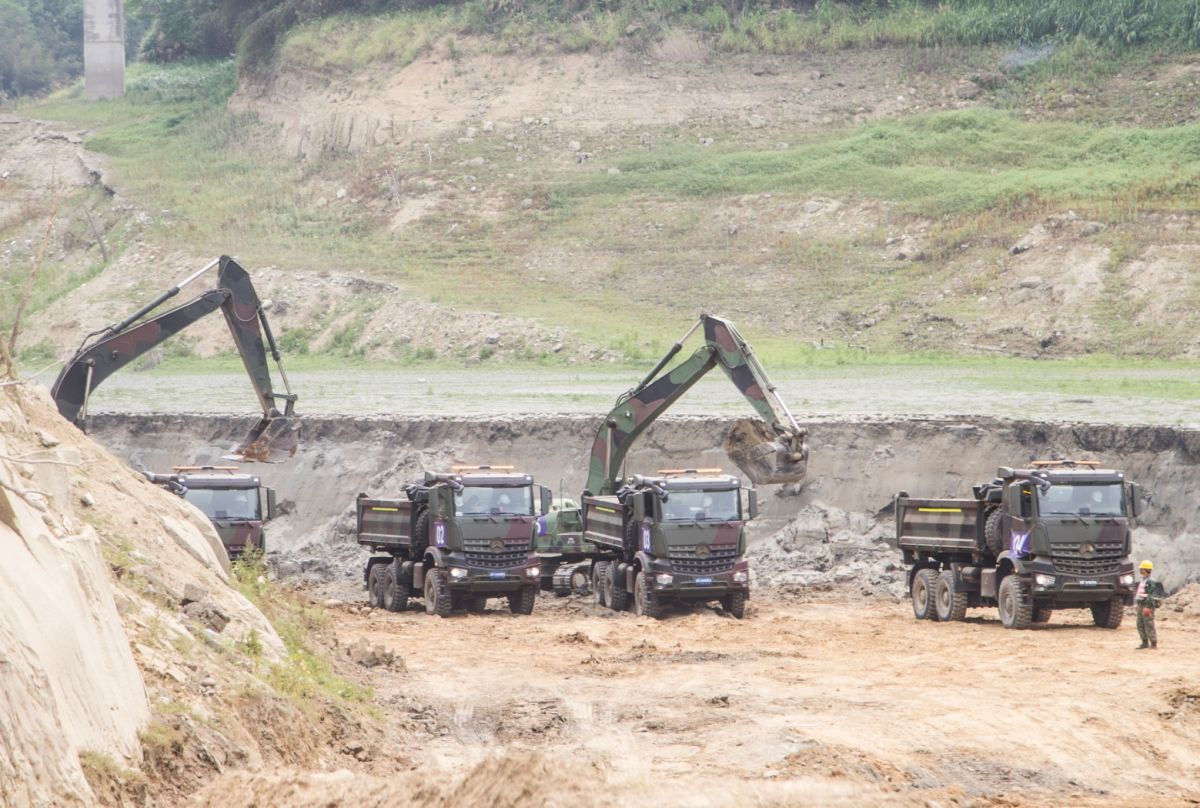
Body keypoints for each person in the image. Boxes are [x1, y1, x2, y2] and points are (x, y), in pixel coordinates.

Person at [1135, 559, 1165, 650]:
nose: (1141, 570)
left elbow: (1151, 595)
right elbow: (1141, 593)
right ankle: (1144, 642)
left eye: (1142, 569)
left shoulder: (1150, 582)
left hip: (1147, 605)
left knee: (1148, 624)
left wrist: (1147, 607)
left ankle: (1153, 643)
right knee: (1140, 623)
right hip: (1141, 604)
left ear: (1145, 570)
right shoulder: (1143, 580)